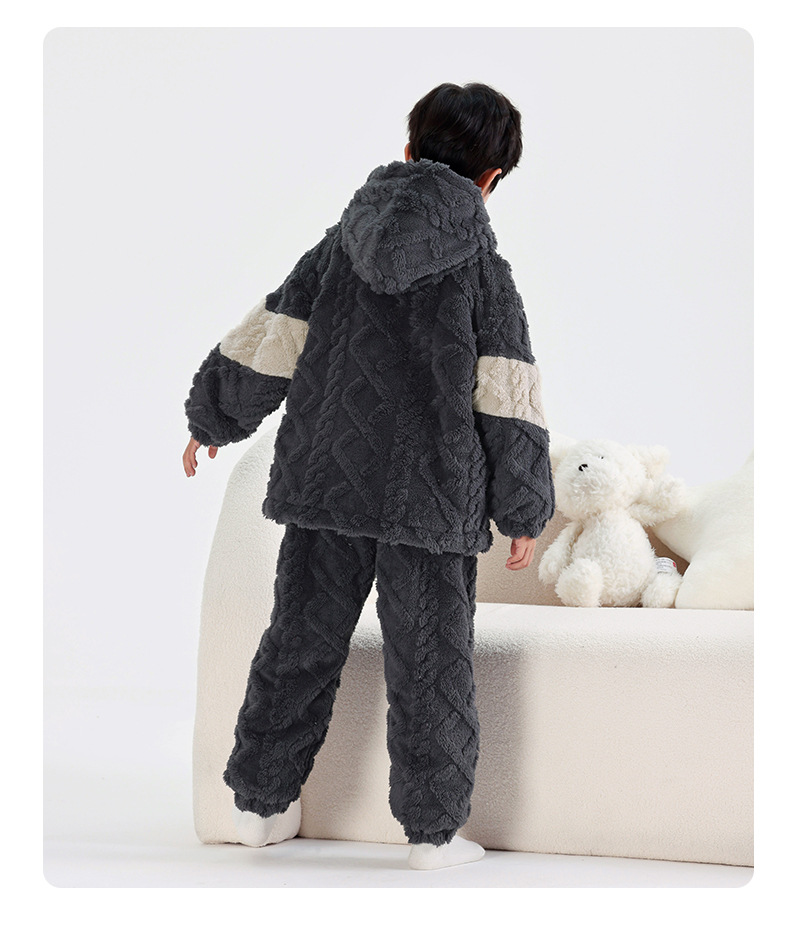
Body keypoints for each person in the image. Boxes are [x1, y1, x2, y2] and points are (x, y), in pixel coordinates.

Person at [182, 82, 555, 870]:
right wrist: (522, 508)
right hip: (433, 500)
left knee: (299, 640)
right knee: (431, 662)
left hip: (328, 484)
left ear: (409, 148)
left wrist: (214, 415)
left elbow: (275, 333)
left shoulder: (342, 243)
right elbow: (507, 395)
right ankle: (432, 835)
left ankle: (259, 806)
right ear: (491, 179)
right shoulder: (484, 271)